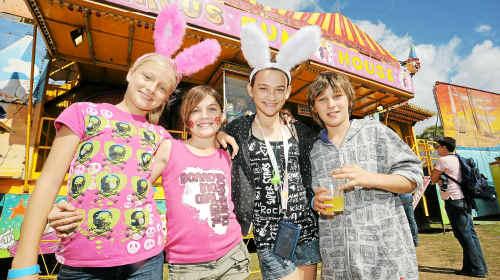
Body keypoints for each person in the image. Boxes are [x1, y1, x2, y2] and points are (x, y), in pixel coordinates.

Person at [8, 4, 224, 279]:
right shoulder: (84, 113)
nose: (151, 89)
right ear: (131, 72)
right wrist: (24, 263)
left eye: (162, 88)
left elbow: (195, 153)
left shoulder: (161, 137)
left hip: (146, 260)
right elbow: (48, 182)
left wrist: (220, 134)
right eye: (147, 77)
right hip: (83, 260)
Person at [223, 23, 322, 280]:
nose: (271, 96)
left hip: (306, 229)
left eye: (279, 89)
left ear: (288, 91)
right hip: (269, 234)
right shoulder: (237, 130)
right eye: (263, 88)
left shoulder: (301, 131)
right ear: (250, 90)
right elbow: (205, 136)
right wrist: (217, 135)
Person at [308, 72, 422, 280]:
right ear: (314, 107)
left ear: (349, 99)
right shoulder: (315, 150)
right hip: (337, 266)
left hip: (385, 263)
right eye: (322, 99)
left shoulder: (374, 131)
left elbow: (413, 177)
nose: (331, 104)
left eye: (337, 96)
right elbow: (316, 194)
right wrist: (316, 202)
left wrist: (370, 178)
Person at [144, 85, 249, 279]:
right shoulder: (170, 149)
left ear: (222, 115)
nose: (204, 116)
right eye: (195, 110)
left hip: (232, 257)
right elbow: (136, 185)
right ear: (186, 118)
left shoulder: (228, 154)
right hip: (187, 266)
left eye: (211, 109)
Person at [431, 136, 488, 278]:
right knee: (470, 234)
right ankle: (473, 267)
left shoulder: (443, 161)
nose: (437, 149)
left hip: (453, 200)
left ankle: (477, 269)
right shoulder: (459, 158)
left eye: (438, 147)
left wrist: (437, 176)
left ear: (444, 148)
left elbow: (433, 178)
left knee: (464, 235)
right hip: (464, 199)